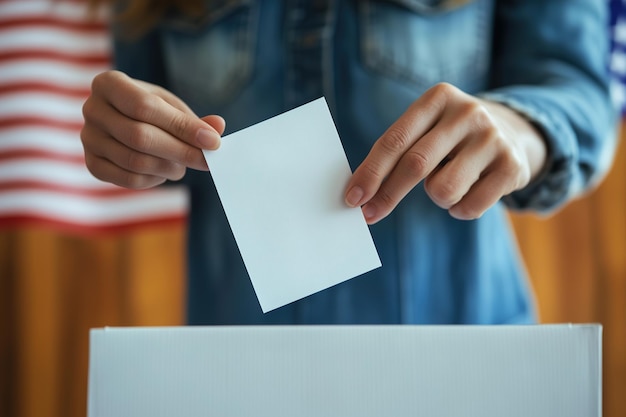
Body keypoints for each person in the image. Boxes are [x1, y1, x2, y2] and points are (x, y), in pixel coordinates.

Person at [81, 0, 617, 325]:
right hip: (242, 362)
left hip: (459, 355)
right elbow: (152, 120)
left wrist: (517, 130)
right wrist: (128, 135)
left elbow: (577, 94)